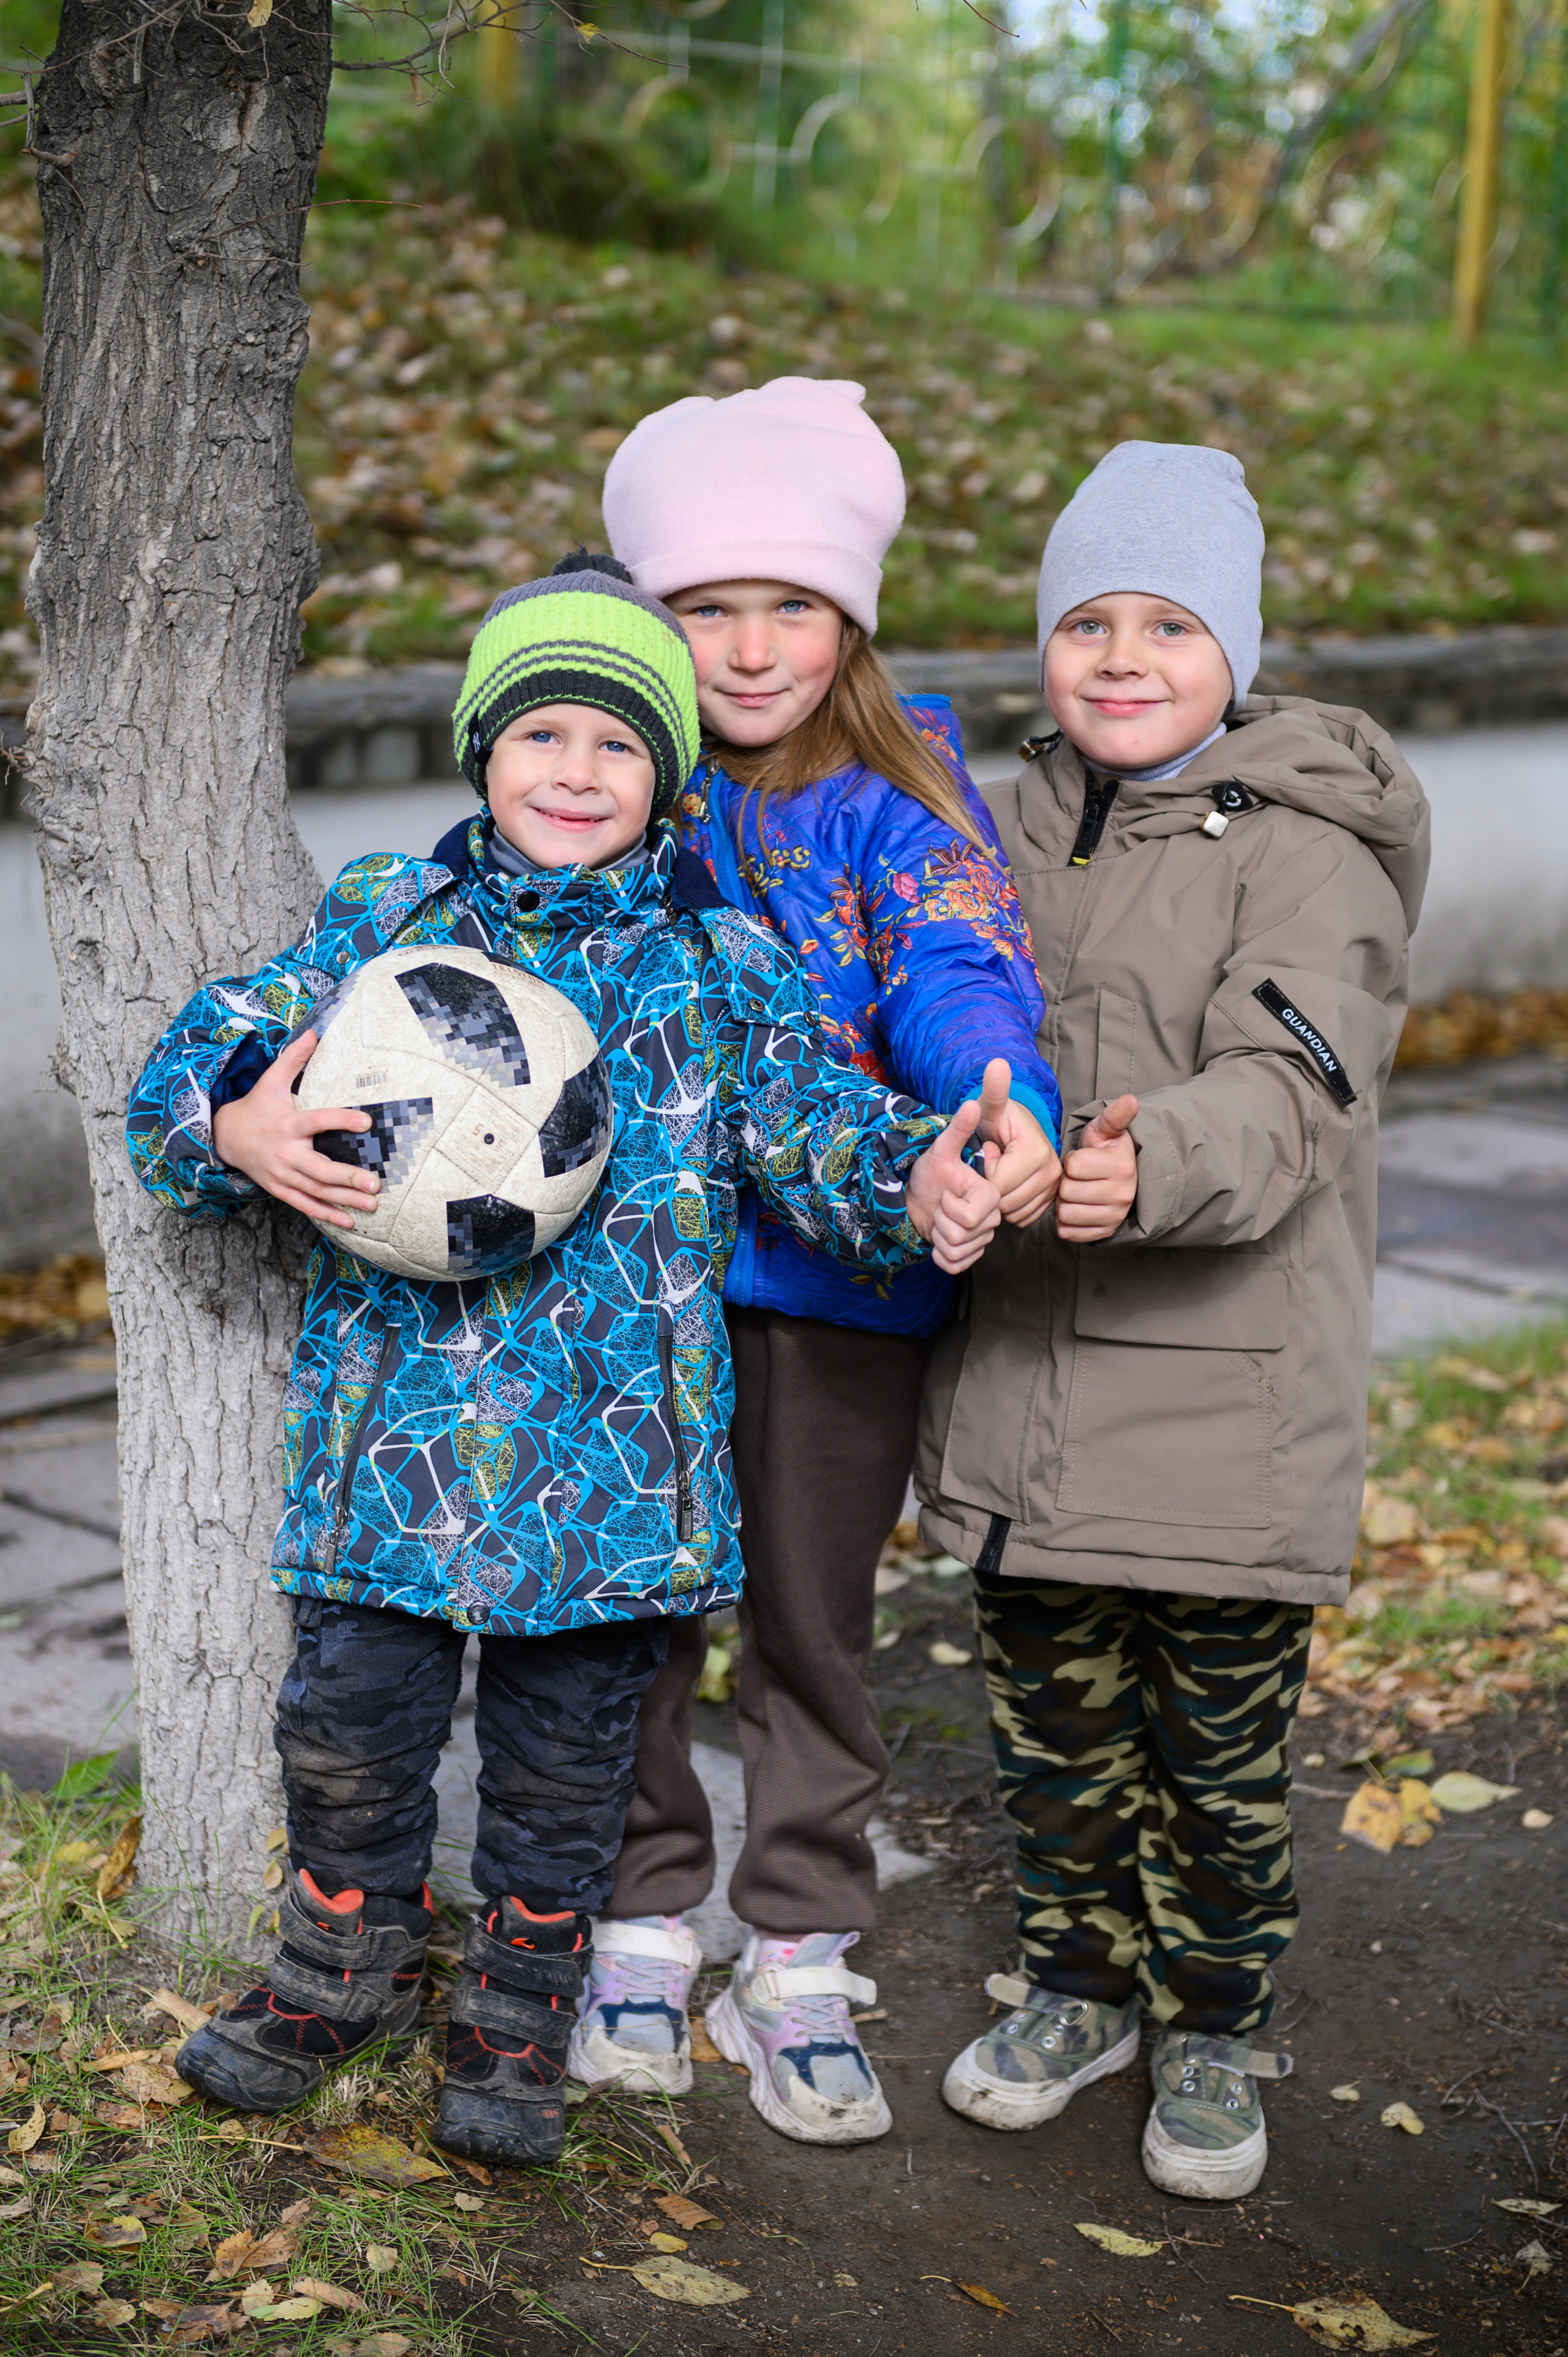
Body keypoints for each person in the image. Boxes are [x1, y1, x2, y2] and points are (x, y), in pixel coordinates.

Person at [124, 554, 1010, 2169]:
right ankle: (340, 1973)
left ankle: (522, 2018)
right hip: (392, 1443)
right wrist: (233, 1123)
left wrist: (926, 1179)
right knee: (348, 1733)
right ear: (482, 753)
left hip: (609, 1484)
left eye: (617, 745)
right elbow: (202, 1054)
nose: (577, 773)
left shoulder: (714, 972)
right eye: (541, 737)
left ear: (665, 779)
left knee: (562, 1775)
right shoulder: (387, 926)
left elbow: (826, 1137)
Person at [918, 442, 1430, 2199]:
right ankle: (1076, 1987)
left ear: (1239, 650)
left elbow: (1294, 1084)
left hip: (1225, 1404)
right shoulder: (994, 824)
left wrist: (1155, 1157)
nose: (1121, 657)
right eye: (1085, 622)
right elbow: (931, 1017)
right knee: (1051, 1734)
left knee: (1214, 1763)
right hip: (1019, 1383)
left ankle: (1215, 2022)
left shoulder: (1306, 848)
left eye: (1168, 624)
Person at [571, 378, 1063, 2148]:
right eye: (711, 607)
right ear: (654, 617)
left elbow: (955, 969)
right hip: (627, 1298)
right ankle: (633, 1919)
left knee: (806, 1627)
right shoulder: (614, 781)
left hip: (841, 1295)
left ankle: (794, 1945)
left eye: (790, 604)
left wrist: (996, 1099)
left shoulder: (896, 796)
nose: (754, 644)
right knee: (623, 1616)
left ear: (849, 615)